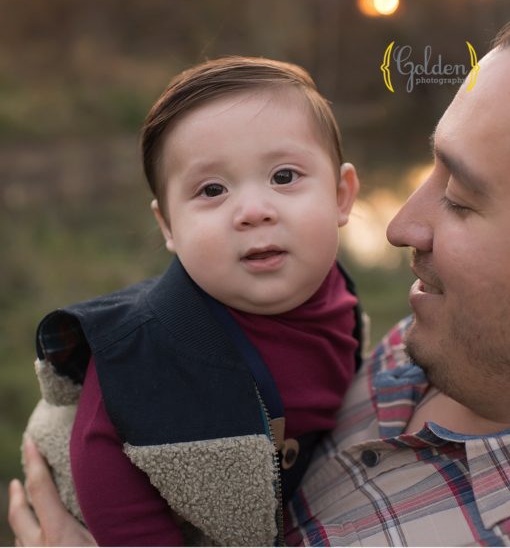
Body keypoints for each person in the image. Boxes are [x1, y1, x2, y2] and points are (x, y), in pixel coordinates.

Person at [9, 2, 510, 548]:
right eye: (212, 189)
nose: (398, 225)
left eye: (460, 198)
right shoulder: (440, 330)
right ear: (166, 224)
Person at [23, 57, 364, 546]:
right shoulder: (147, 349)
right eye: (212, 189)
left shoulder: (338, 295)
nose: (253, 211)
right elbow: (98, 446)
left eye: (284, 177)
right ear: (168, 227)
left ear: (341, 196)